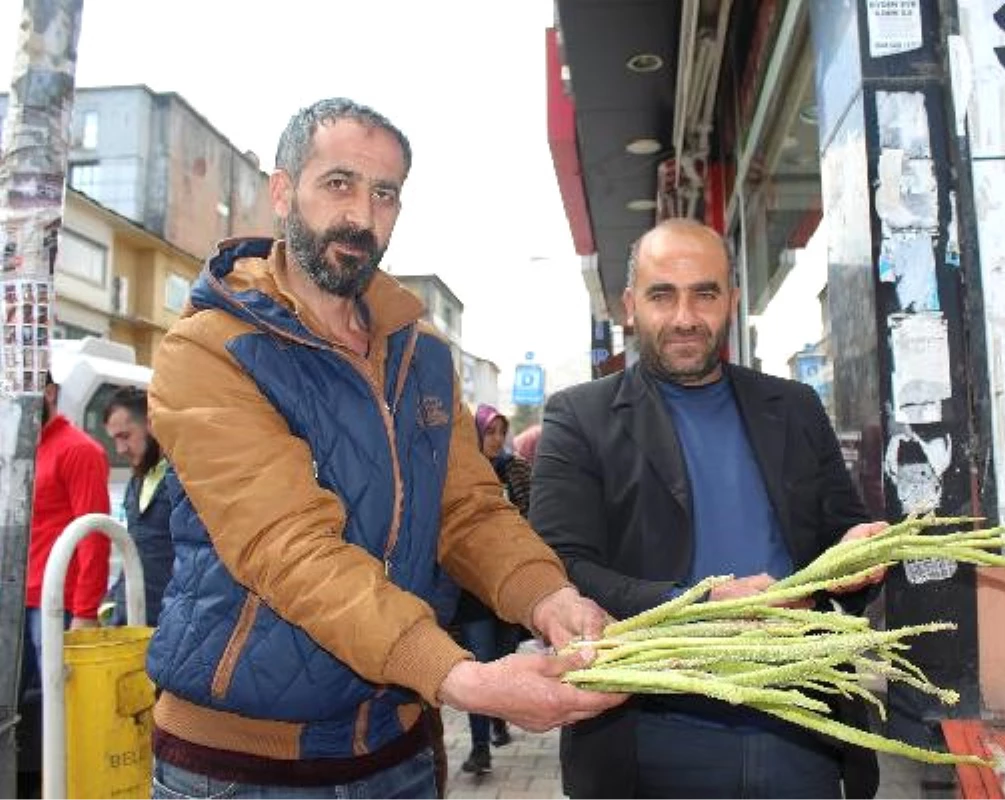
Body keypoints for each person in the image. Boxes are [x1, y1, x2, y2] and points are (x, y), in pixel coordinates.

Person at [144, 97, 623, 800]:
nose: (362, 217)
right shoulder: (208, 349)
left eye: (385, 193)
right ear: (283, 192)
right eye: (338, 184)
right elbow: (289, 547)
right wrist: (463, 678)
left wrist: (548, 597)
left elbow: (469, 510)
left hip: (391, 747)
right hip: (242, 766)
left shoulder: (422, 354)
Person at [529, 218, 887, 800]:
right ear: (629, 305)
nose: (686, 318)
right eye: (662, 294)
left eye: (705, 293)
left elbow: (838, 533)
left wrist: (857, 556)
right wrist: (698, 602)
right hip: (652, 733)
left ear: (733, 300)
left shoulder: (794, 406)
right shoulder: (579, 417)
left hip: (802, 725)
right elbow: (560, 567)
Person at [20, 372, 111, 696]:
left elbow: (94, 534)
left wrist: (85, 613)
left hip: (57, 604)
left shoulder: (79, 450)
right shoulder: (19, 450)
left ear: (49, 393)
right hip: (17, 599)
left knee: (59, 708)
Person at [454, 404, 530, 775]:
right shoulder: (461, 475)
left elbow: (534, 519)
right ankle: (479, 747)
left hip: (511, 590)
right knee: (481, 666)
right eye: (490, 432)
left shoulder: (516, 470)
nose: (497, 439)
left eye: (502, 431)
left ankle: (498, 715)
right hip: (472, 596)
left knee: (505, 658)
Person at [102, 386, 173, 626]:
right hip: (132, 621)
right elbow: (135, 550)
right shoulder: (137, 481)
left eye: (125, 436)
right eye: (115, 440)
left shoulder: (184, 480)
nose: (120, 449)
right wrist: (113, 604)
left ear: (151, 424)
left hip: (169, 627)